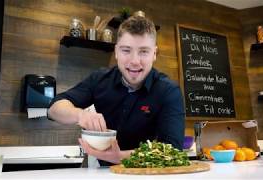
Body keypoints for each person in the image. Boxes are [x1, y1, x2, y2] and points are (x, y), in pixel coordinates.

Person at [48, 16, 185, 166]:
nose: (134, 61)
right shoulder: (100, 79)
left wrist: (119, 157)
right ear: (116, 52)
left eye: (144, 52)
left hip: (146, 172)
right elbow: (54, 108)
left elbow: (172, 151)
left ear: (154, 54)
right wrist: (80, 115)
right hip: (102, 171)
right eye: (126, 50)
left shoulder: (168, 91)